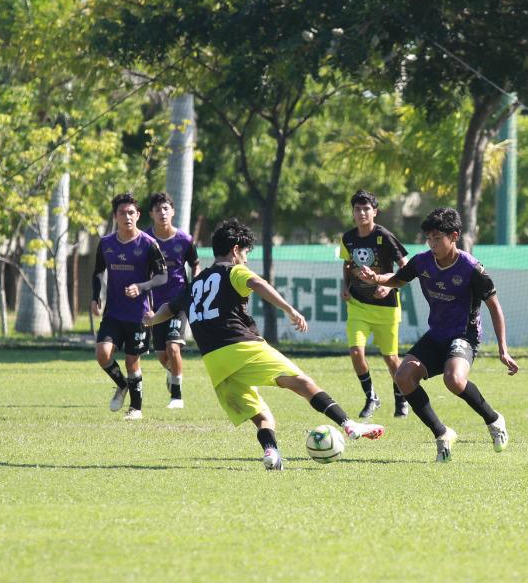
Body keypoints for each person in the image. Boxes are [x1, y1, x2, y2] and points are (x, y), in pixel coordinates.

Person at [143, 217, 384, 470]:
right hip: (242, 347)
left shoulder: (195, 284)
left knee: (263, 417)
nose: (246, 260)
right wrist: (290, 309)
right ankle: (349, 424)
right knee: (302, 383)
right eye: (246, 253)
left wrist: (151, 320)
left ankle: (271, 453)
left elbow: (169, 308)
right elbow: (258, 283)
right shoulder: (234, 271)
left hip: (214, 363)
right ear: (235, 249)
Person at [358, 207, 519, 462]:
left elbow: (494, 307)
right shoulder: (422, 262)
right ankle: (442, 434)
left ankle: (493, 420)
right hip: (437, 334)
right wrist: (377, 278)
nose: (432, 244)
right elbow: (399, 279)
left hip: (464, 335)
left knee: (453, 380)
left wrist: (503, 350)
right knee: (403, 377)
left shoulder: (472, 269)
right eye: (429, 238)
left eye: (437, 238)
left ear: (454, 236)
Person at [91, 193, 168, 420]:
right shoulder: (106, 243)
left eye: (131, 213)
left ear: (138, 215)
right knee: (102, 354)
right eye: (122, 213)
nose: (127, 217)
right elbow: (98, 272)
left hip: (139, 314)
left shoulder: (149, 244)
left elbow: (162, 276)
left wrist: (141, 287)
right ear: (115, 216)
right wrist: (96, 297)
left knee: (132, 361)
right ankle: (122, 384)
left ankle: (136, 408)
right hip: (113, 312)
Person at [339, 190, 411, 419]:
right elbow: (347, 264)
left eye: (366, 209)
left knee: (391, 359)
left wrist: (389, 286)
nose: (362, 213)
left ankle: (401, 399)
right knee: (355, 351)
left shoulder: (384, 236)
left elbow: (406, 267)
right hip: (358, 305)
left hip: (386, 308)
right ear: (352, 212)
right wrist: (345, 286)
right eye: (357, 209)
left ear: (375, 212)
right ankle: (371, 397)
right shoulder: (348, 238)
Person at [146, 191, 199, 409]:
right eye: (158, 209)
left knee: (173, 347)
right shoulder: (145, 240)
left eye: (166, 208)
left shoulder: (184, 240)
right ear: (151, 214)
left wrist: (194, 285)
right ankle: (173, 373)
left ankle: (176, 396)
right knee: (162, 356)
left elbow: (195, 263)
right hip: (155, 303)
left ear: (173, 212)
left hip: (179, 301)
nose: (162, 213)